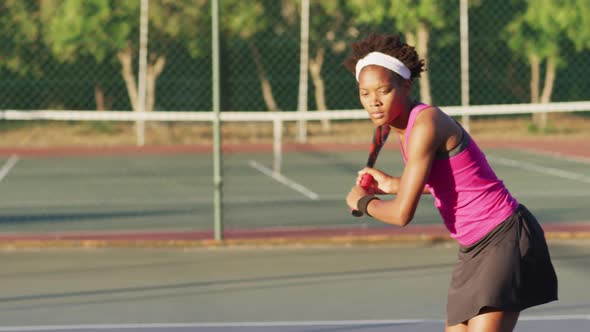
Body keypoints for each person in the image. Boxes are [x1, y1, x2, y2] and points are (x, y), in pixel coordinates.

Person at [344, 32, 558, 332]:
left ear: (405, 86)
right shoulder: (403, 127)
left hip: (503, 237)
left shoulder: (424, 126)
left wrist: (363, 202)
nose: (374, 102)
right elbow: (457, 178)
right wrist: (395, 184)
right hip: (471, 248)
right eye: (365, 93)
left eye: (383, 90)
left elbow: (402, 214)